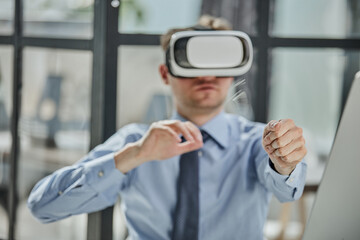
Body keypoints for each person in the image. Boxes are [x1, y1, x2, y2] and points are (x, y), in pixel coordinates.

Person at [28, 15, 307, 240]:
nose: (206, 75)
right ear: (165, 73)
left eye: (217, 62)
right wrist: (133, 156)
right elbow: (43, 206)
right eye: (191, 62)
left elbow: (287, 191)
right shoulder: (136, 140)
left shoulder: (256, 141)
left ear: (233, 70)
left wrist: (285, 163)